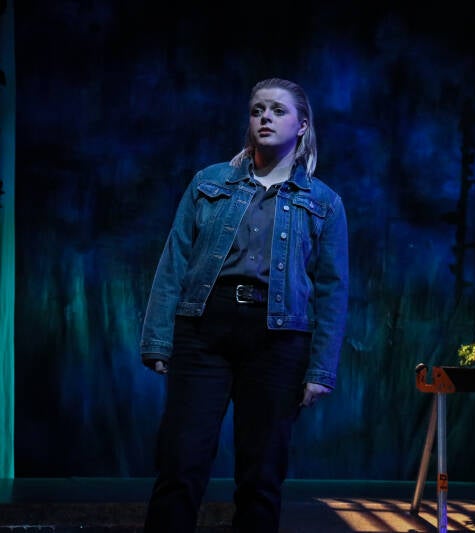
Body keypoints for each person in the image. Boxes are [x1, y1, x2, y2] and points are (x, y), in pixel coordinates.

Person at [139, 77, 349, 533]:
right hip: (204, 331)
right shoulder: (209, 182)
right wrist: (158, 338)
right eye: (257, 110)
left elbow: (332, 290)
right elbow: (175, 260)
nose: (265, 118)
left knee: (261, 474)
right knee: (181, 463)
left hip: (278, 340)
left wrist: (321, 369)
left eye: (277, 110)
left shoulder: (324, 202)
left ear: (302, 125)